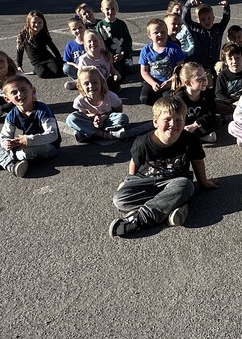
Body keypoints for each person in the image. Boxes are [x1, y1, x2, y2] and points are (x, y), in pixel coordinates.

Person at [108, 94, 217, 237]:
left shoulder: (191, 140)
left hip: (174, 181)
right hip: (145, 181)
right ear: (155, 121)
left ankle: (138, 220)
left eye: (179, 120)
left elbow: (197, 161)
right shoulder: (142, 142)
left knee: (186, 186)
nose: (173, 124)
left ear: (184, 121)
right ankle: (171, 208)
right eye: (167, 119)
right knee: (120, 199)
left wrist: (204, 182)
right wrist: (128, 180)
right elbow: (135, 162)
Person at [0, 75, 60, 178]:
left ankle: (5, 160)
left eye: (23, 90)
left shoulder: (42, 110)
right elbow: (5, 135)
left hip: (49, 146)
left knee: (23, 152)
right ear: (7, 99)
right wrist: (6, 143)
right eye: (14, 93)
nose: (20, 94)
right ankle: (11, 164)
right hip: (25, 143)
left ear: (33, 91)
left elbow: (52, 135)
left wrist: (27, 140)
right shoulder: (12, 114)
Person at [66, 66, 128, 143]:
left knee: (122, 118)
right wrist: (94, 117)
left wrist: (103, 117)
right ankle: (105, 135)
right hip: (91, 122)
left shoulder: (111, 96)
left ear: (101, 83)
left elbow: (119, 112)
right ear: (80, 86)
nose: (91, 86)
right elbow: (84, 115)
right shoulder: (79, 100)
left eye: (95, 82)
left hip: (107, 121)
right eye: (86, 84)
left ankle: (91, 133)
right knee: (71, 118)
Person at [138, 18, 184, 106]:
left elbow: (181, 68)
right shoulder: (145, 50)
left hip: (170, 82)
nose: (160, 34)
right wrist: (152, 83)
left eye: (163, 32)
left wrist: (171, 81)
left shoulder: (174, 48)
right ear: (149, 35)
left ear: (167, 31)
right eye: (156, 32)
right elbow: (144, 71)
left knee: (171, 101)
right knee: (144, 98)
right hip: (153, 81)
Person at [170, 62, 219, 143]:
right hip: (185, 127)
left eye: (205, 77)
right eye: (200, 79)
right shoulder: (179, 99)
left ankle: (192, 138)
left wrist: (195, 125)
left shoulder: (207, 94)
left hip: (198, 125)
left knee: (216, 122)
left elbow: (210, 114)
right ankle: (193, 138)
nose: (205, 81)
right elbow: (176, 119)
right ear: (188, 83)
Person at [183, 0, 231, 73]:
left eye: (209, 18)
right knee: (205, 80)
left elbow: (226, 19)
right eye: (203, 19)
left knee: (221, 66)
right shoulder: (196, 29)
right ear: (198, 20)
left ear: (213, 18)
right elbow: (186, 19)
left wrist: (226, 7)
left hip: (214, 63)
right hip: (200, 65)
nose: (207, 21)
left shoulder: (218, 29)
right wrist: (188, 5)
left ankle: (220, 82)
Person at [95, 0, 134, 82]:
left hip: (121, 54)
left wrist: (123, 53)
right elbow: (99, 42)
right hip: (107, 55)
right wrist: (108, 55)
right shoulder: (100, 25)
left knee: (129, 70)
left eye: (113, 9)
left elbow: (127, 40)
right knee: (114, 70)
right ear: (102, 10)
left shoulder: (121, 24)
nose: (110, 11)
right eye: (107, 9)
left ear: (116, 9)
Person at [15, 11, 63, 78]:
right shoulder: (23, 35)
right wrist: (19, 66)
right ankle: (37, 70)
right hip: (37, 62)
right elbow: (20, 51)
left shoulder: (43, 34)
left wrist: (59, 60)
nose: (37, 25)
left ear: (43, 23)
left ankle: (58, 62)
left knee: (58, 71)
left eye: (40, 22)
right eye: (34, 22)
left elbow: (53, 48)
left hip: (48, 58)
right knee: (42, 74)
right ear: (29, 22)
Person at [214, 42, 242, 114]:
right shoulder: (222, 75)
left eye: (237, 58)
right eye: (230, 59)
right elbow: (219, 93)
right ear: (225, 61)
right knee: (217, 104)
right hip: (231, 104)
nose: (234, 61)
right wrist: (232, 102)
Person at [62, 16, 87, 90]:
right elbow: (68, 61)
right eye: (74, 29)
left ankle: (79, 83)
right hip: (78, 69)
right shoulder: (70, 45)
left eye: (80, 27)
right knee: (66, 68)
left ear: (84, 26)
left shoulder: (90, 41)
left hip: (91, 67)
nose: (78, 30)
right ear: (70, 31)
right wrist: (76, 66)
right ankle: (79, 81)